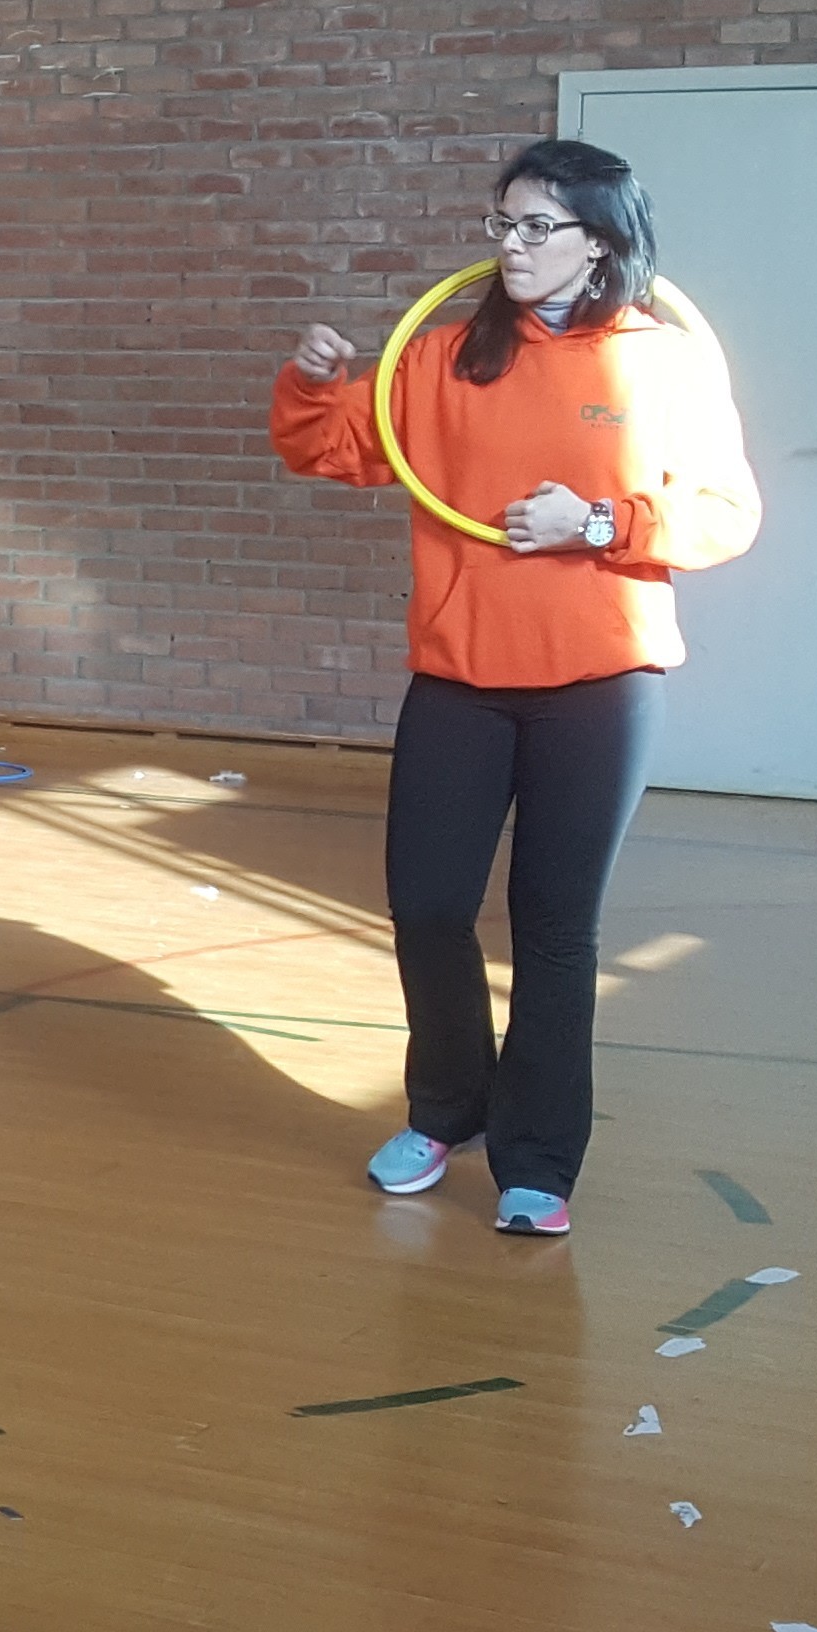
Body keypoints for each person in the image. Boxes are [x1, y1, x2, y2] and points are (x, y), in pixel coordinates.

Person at [272, 140, 757, 1236]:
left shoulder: (663, 364)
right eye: (502, 223)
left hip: (599, 681)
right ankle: (446, 1109)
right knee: (428, 905)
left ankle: (537, 1161)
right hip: (459, 674)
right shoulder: (442, 355)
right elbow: (331, 449)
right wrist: (309, 382)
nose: (512, 244)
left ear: (601, 242)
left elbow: (727, 514)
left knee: (553, 925)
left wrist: (597, 523)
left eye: (538, 225)